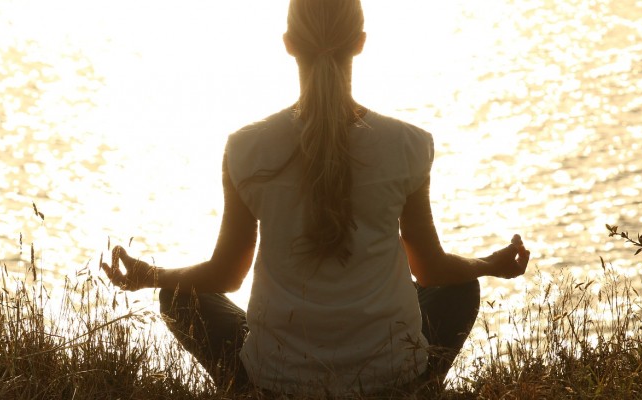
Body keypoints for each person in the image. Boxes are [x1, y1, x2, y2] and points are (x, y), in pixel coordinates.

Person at [100, 0, 530, 397]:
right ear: (360, 44)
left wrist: (150, 274)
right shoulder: (408, 144)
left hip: (278, 378)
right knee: (459, 289)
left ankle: (249, 391)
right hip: (389, 373)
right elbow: (431, 269)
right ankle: (411, 390)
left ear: (288, 45)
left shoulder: (246, 148)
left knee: (177, 295)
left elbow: (227, 275)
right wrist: (488, 265)